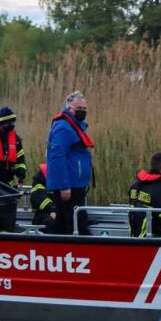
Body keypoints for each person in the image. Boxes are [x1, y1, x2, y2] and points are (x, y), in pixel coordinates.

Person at [46, 91, 93, 235]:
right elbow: (57, 157)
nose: (82, 112)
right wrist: (64, 185)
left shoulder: (75, 126)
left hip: (76, 185)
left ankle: (58, 252)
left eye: (84, 109)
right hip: (69, 187)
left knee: (67, 222)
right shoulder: (63, 127)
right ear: (69, 108)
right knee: (75, 224)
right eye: (79, 109)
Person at [29, 163, 57, 230]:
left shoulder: (66, 174)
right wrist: (53, 209)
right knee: (49, 221)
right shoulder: (40, 176)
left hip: (60, 211)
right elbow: (39, 198)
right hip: (43, 213)